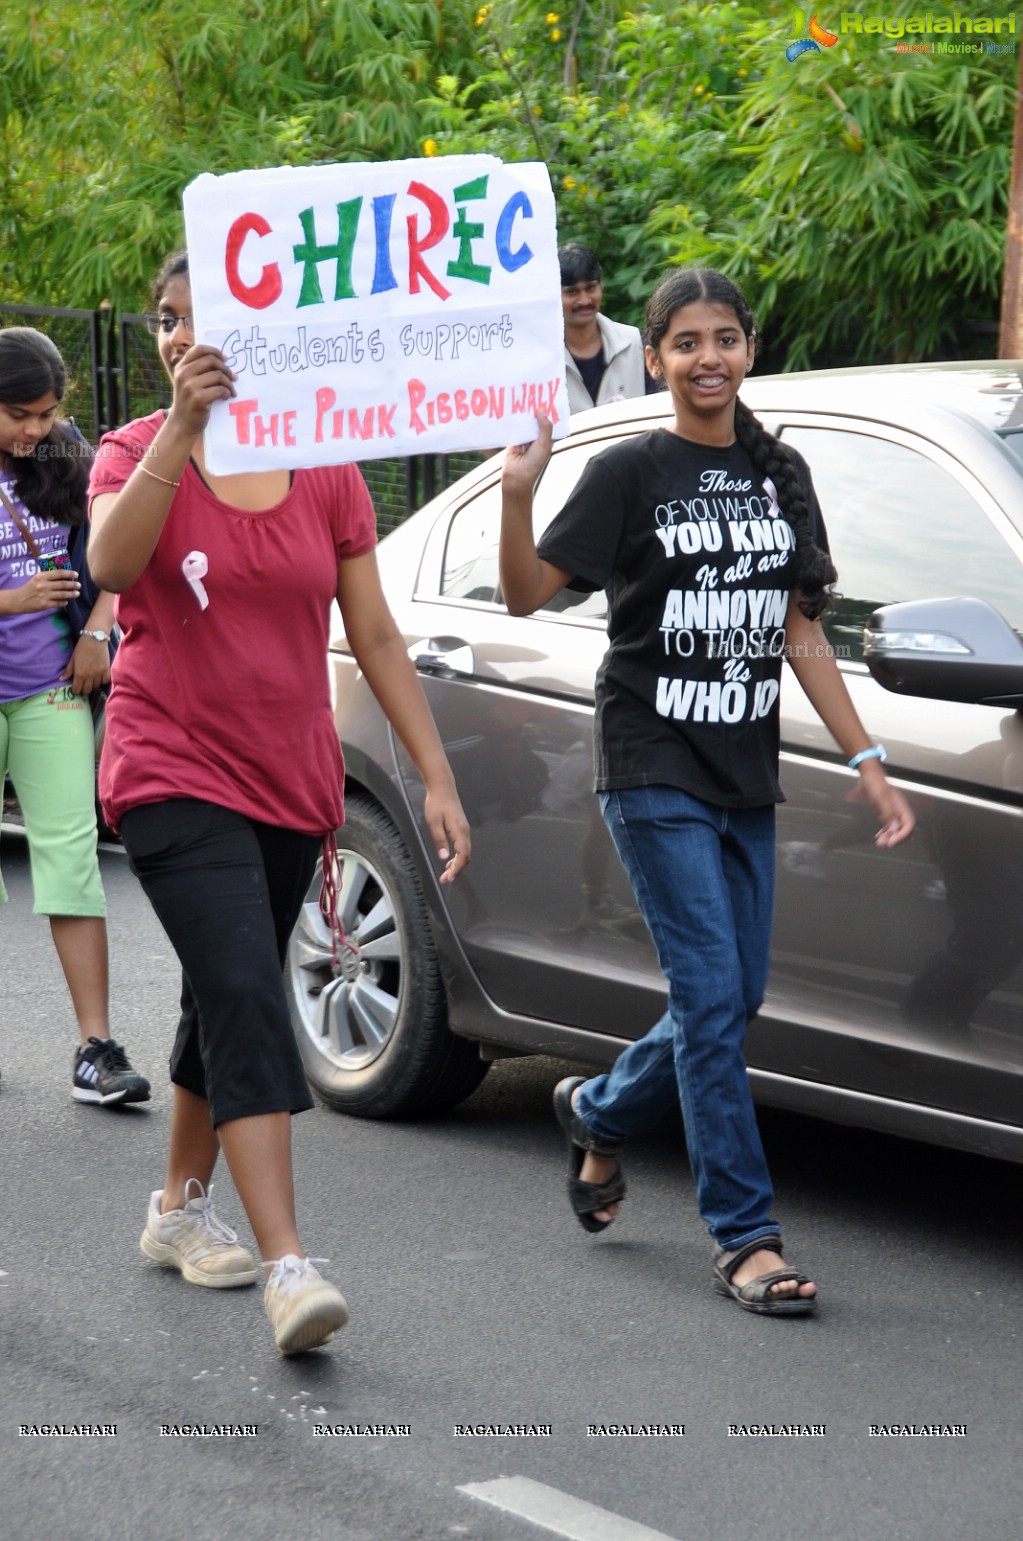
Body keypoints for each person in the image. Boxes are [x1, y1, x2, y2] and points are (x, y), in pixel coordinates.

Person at [500, 267, 915, 1315]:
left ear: (750, 346)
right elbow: (523, 591)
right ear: (657, 356)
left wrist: (866, 759)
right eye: (685, 342)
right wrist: (516, 490)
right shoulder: (632, 470)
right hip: (650, 759)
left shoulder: (783, 472)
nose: (708, 358)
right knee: (712, 998)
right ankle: (746, 1235)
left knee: (735, 996)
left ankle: (597, 1109)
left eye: (724, 337)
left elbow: (800, 630)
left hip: (744, 767)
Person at [87, 251, 471, 1355]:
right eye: (167, 320)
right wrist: (177, 428)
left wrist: (433, 773)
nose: (179, 336)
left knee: (226, 994)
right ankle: (290, 1264)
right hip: (169, 767)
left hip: (289, 782)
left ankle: (175, 1208)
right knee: (252, 997)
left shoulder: (325, 465)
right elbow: (113, 558)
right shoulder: (128, 452)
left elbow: (378, 633)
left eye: (203, 319)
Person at [0, 327, 149, 1105]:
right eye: (19, 414)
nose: (34, 430)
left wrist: (98, 632)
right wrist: (8, 600)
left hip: (49, 685)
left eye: (46, 414)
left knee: (72, 862)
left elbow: (109, 550)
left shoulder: (66, 453)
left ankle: (96, 1047)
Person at [559, 242, 657, 414]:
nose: (584, 300)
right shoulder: (543, 358)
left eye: (590, 288)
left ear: (601, 286)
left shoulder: (636, 343)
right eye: (572, 292)